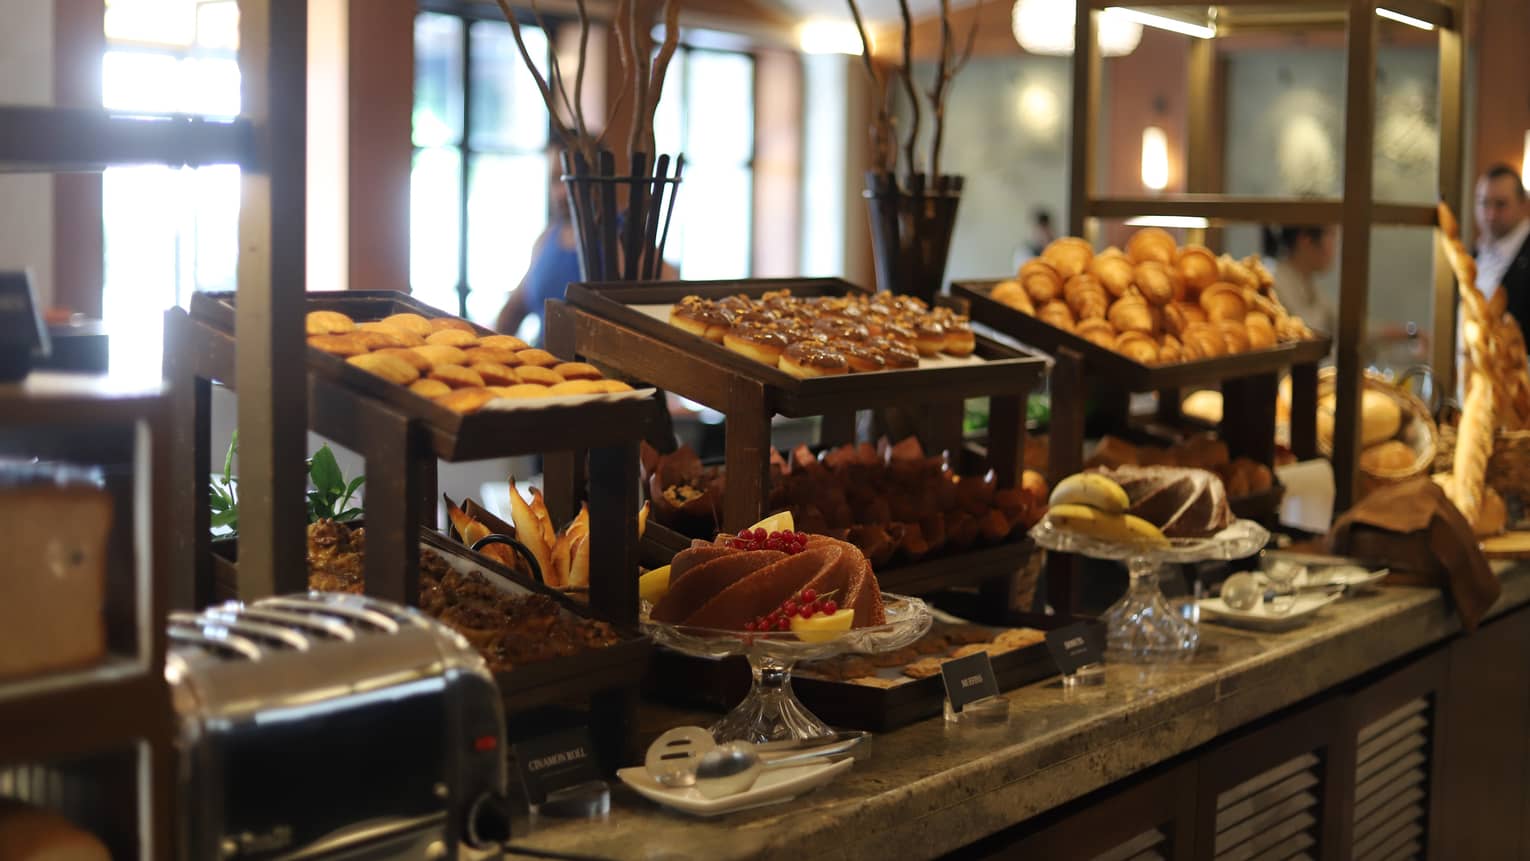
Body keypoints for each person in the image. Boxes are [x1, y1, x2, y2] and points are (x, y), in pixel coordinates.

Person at [496, 146, 580, 345]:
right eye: (555, 180)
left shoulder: (622, 243)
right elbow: (512, 312)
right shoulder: (546, 239)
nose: (561, 192)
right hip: (544, 368)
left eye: (570, 179)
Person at [1474, 163, 1530, 333]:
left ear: (1523, 204)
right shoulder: (1476, 251)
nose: (1490, 214)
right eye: (1484, 203)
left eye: (1501, 204)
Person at [1263, 224, 1337, 336]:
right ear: (1305, 239)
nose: (1334, 245)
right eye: (1331, 234)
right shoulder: (1276, 284)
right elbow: (1307, 331)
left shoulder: (1307, 283)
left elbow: (1335, 317)